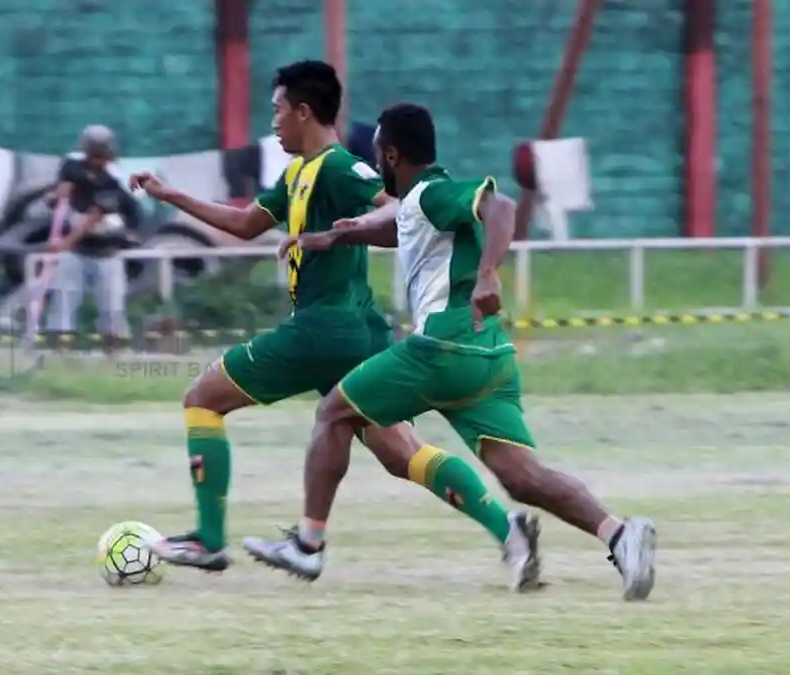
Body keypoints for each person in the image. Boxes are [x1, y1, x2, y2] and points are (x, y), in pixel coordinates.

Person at [129, 60, 541, 590]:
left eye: (277, 110)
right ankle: (508, 530)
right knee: (402, 454)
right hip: (356, 332)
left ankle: (210, 541)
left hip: (326, 328)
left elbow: (398, 206)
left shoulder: (341, 167)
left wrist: (358, 228)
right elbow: (247, 223)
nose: (273, 121)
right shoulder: (298, 172)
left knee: (202, 398)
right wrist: (170, 196)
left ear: (303, 111)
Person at [241, 102, 657, 601]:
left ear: (391, 154)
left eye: (376, 154)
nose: (374, 164)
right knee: (522, 477)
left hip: (442, 345)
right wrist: (335, 235)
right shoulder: (420, 201)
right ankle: (620, 535)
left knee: (334, 413)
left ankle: (307, 545)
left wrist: (487, 274)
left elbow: (498, 207)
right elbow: (398, 230)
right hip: (488, 354)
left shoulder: (434, 190)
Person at [44, 124, 139, 350]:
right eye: (93, 155)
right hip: (76, 250)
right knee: (64, 299)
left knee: (111, 306)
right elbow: (64, 186)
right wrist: (57, 196)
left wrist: (64, 244)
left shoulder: (114, 179)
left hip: (107, 248)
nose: (97, 160)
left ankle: (112, 352)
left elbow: (93, 218)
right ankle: (61, 350)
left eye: (101, 156)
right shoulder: (72, 164)